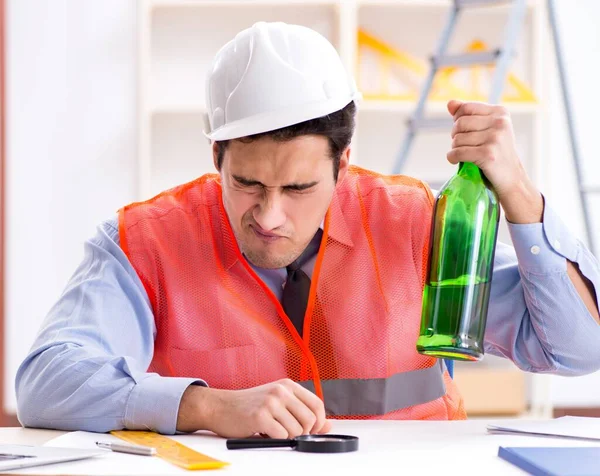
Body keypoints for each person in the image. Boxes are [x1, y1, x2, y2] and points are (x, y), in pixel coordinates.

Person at [16, 22, 600, 438]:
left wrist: (522, 198)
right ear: (216, 153)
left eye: (298, 189)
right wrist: (204, 405)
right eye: (246, 184)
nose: (270, 217)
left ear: (343, 166)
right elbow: (45, 382)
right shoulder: (145, 242)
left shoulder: (414, 223)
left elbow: (578, 352)